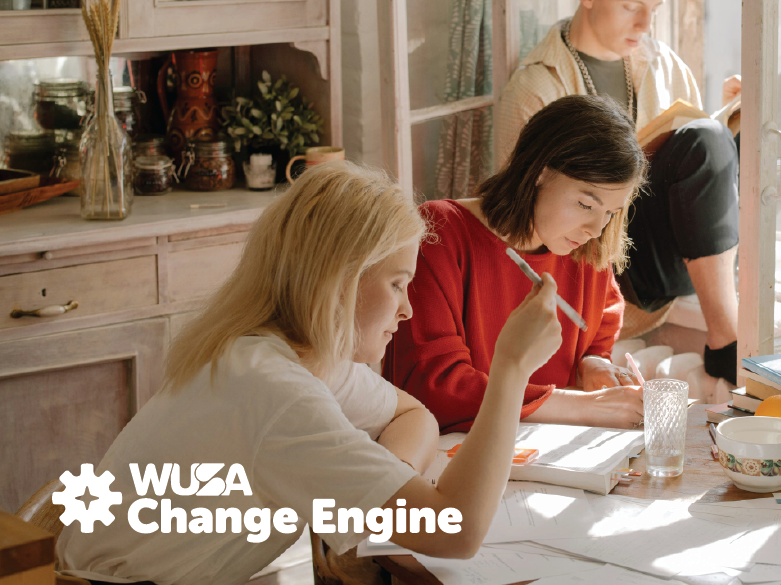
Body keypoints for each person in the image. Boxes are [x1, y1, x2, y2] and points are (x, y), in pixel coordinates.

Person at [58, 162, 565, 585]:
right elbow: (455, 533)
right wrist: (511, 370)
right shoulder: (276, 394)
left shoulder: (284, 354)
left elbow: (415, 415)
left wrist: (382, 486)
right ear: (338, 281)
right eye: (397, 284)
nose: (407, 310)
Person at [494, 0, 742, 383]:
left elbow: (695, 175)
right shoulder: (537, 86)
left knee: (740, 125)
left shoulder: (664, 64)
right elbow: (520, 219)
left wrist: (731, 120)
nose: (645, 24)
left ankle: (733, 318)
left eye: (654, 8)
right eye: (630, 6)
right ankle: (728, 341)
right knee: (706, 141)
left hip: (668, 258)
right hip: (601, 265)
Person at [385, 95, 649, 432]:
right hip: (455, 452)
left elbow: (600, 325)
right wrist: (583, 407)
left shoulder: (583, 245)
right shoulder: (441, 233)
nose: (596, 228)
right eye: (585, 205)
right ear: (539, 172)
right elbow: (436, 387)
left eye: (610, 213)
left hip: (552, 452)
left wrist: (592, 363)